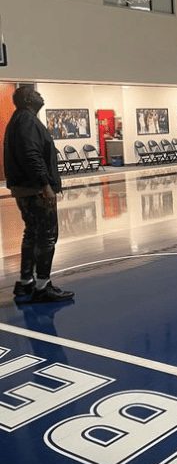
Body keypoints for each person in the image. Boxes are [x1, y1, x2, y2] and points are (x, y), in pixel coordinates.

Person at [3, 85, 75, 302]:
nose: (40, 96)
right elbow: (31, 155)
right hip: (35, 189)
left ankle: (26, 283)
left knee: (32, 233)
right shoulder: (27, 121)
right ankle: (43, 286)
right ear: (27, 100)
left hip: (25, 187)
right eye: (36, 94)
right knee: (47, 236)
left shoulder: (19, 119)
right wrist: (45, 185)